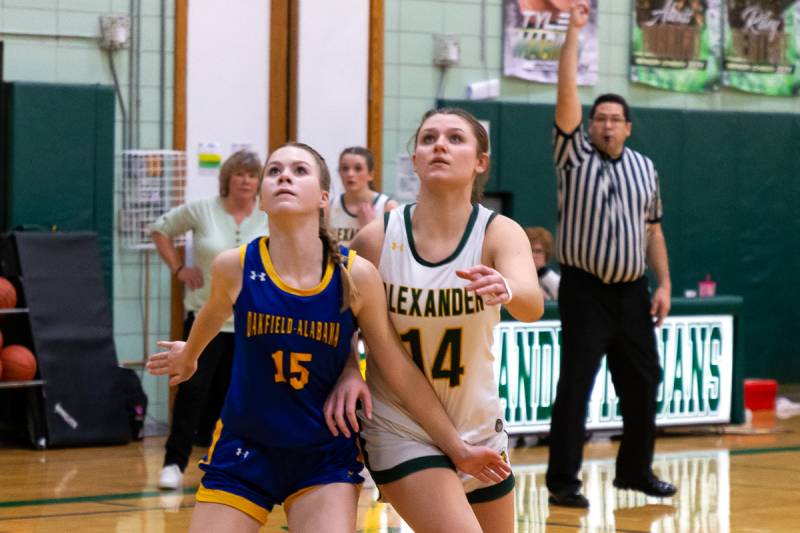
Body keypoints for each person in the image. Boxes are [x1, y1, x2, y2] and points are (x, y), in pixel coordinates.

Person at [147, 142, 511, 533]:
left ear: (324, 197)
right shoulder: (234, 266)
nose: (284, 176)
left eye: (299, 170)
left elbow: (396, 366)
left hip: (322, 456)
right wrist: (190, 355)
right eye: (275, 171)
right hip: (244, 447)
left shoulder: (355, 275)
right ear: (262, 200)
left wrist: (456, 448)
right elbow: (212, 315)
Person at [340, 108, 544, 532]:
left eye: (455, 138)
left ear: (480, 161)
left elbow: (531, 304)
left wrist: (506, 286)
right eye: (429, 138)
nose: (439, 146)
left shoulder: (499, 233)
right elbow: (344, 327)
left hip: (478, 424)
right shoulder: (376, 238)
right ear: (414, 159)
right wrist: (347, 370)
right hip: (400, 426)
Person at [545, 0, 676, 508]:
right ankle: (563, 482)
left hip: (632, 290)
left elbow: (654, 230)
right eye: (598, 118)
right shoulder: (572, 156)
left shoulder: (646, 168)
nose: (604, 125)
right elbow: (566, 92)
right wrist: (574, 32)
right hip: (584, 289)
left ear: (628, 127)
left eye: (614, 119)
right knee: (575, 386)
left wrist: (663, 284)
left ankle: (635, 472)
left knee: (644, 383)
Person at [150, 149, 267, 490]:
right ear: (227, 178)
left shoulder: (267, 216)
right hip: (206, 321)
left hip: (252, 325)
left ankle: (229, 465)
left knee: (240, 397)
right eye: (239, 174)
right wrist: (179, 269)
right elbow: (160, 229)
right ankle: (173, 463)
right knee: (192, 392)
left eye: (252, 175)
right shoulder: (203, 210)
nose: (246, 180)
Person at [328, 146, 397, 245]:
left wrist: (369, 228)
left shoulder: (388, 206)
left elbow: (394, 252)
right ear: (339, 173)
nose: (350, 174)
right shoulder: (329, 207)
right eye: (345, 168)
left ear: (371, 175)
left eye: (358, 168)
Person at [525, 226, 560, 300]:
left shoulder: (553, 278)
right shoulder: (514, 275)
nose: (533, 255)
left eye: (538, 251)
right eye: (529, 250)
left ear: (546, 255)